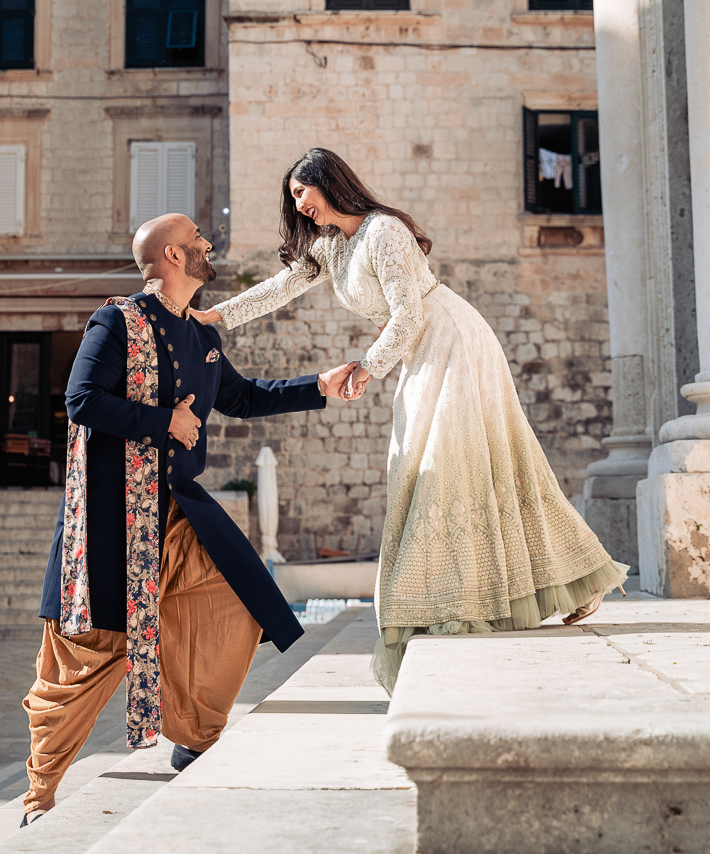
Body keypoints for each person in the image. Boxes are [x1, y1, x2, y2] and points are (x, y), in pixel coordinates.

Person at [194, 149, 628, 693]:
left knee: (451, 464)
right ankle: (543, 579)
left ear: (328, 184)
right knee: (459, 466)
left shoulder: (384, 232)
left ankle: (497, 589)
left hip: (451, 340)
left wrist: (369, 367)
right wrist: (216, 316)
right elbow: (280, 287)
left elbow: (410, 312)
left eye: (301, 192)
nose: (298, 205)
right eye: (294, 198)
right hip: (420, 352)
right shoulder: (333, 245)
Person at [21, 212, 360, 826]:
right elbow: (81, 399)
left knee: (235, 599)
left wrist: (320, 385)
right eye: (198, 238)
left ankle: (196, 733)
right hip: (111, 518)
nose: (209, 243)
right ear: (173, 256)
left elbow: (243, 396)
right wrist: (163, 422)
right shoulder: (118, 321)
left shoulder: (202, 334)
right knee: (88, 650)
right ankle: (40, 793)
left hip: (178, 508)